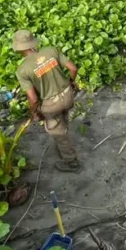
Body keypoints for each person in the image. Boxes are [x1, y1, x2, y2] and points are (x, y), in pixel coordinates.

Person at [12, 30, 80, 172]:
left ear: (19, 49)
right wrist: (71, 81)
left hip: (51, 104)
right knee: (63, 117)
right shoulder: (51, 51)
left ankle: (71, 162)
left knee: (57, 131)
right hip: (68, 95)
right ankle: (64, 140)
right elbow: (73, 68)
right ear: (32, 42)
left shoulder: (22, 70)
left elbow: (33, 98)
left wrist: (35, 112)